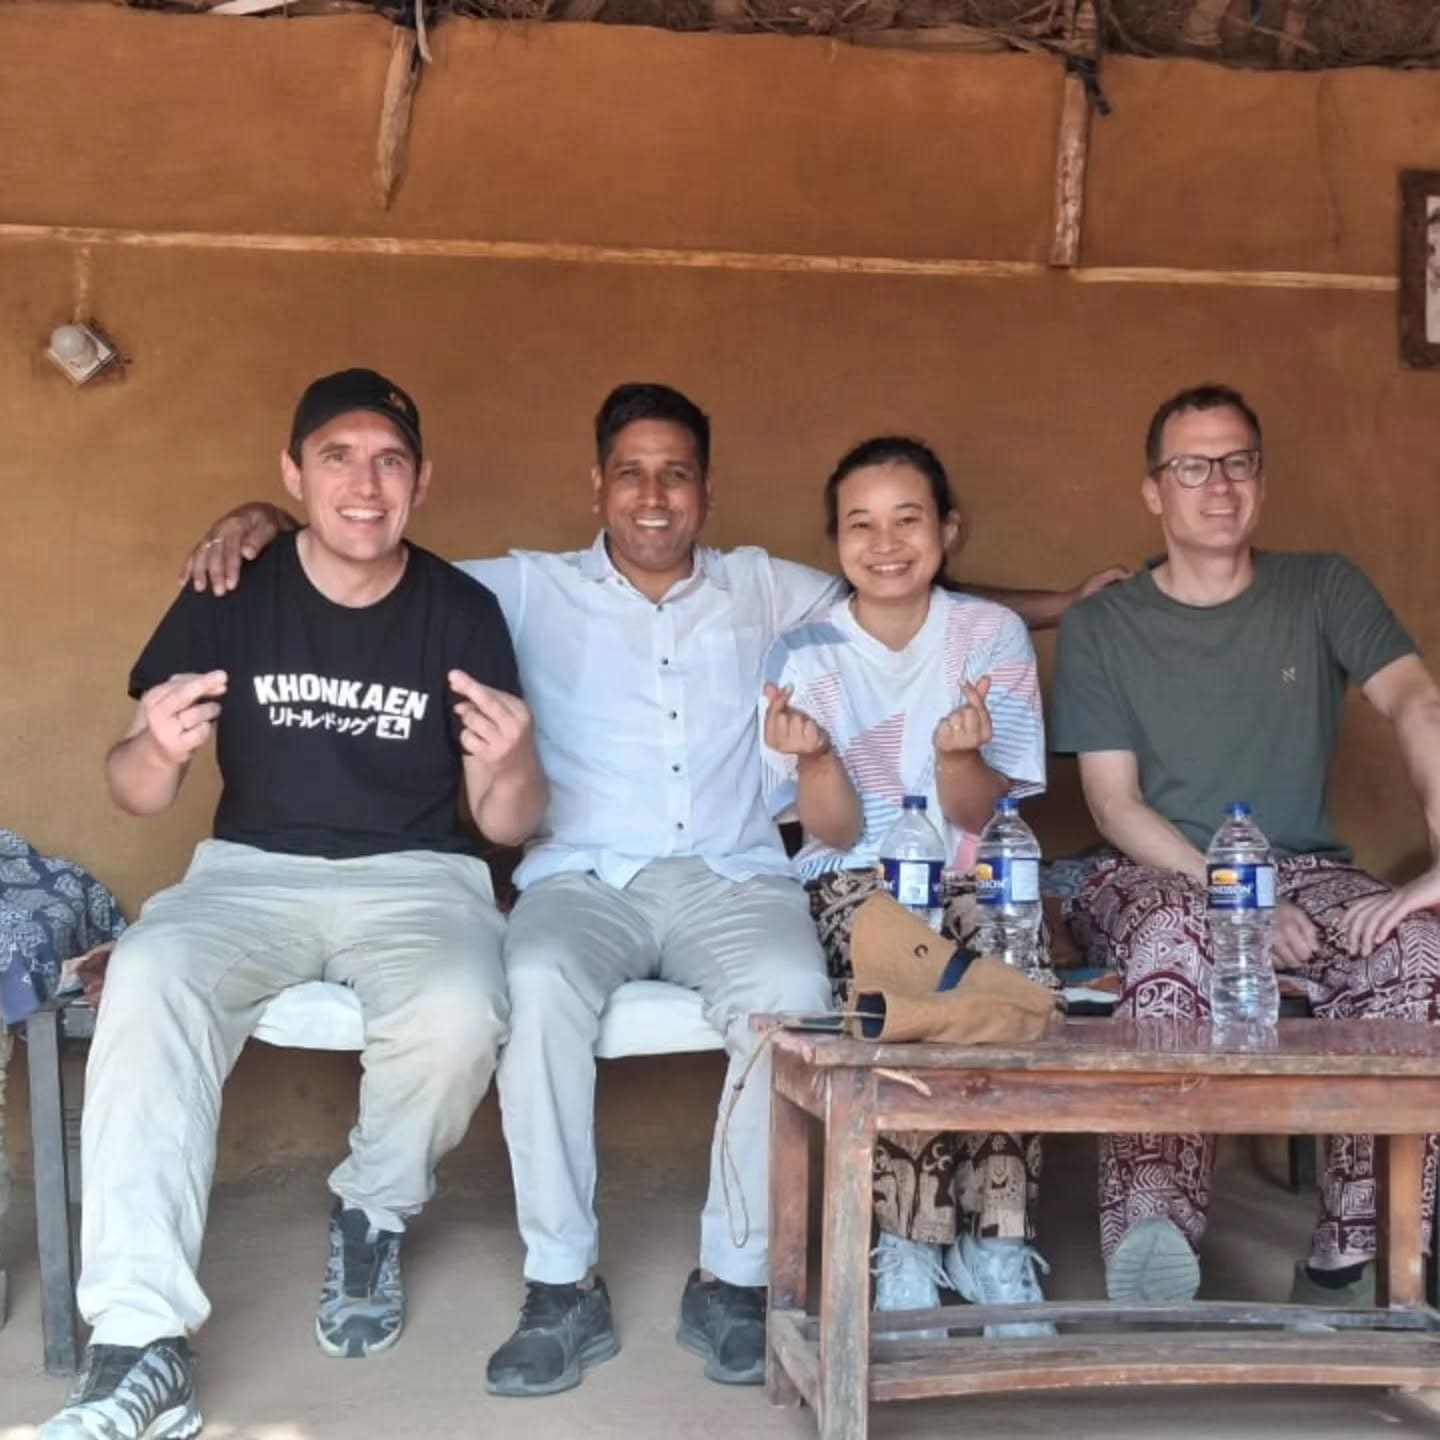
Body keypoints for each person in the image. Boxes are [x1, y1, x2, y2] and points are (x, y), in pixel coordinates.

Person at [181, 382, 1122, 1394]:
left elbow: (904, 585)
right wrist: (263, 522)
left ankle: (732, 1279)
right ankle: (560, 1284)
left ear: (707, 489)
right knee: (534, 986)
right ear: (598, 484)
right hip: (582, 879)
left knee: (791, 995)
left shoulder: (767, 587)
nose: (654, 494)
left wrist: (1061, 607)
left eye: (676, 473)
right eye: (630, 472)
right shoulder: (526, 587)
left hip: (731, 877)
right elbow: (370, 558)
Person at [38, 370, 545, 1440]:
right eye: (337, 457)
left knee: (463, 1008)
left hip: (418, 876)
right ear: (292, 474)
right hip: (248, 872)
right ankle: (137, 1339)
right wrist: (155, 749)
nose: (365, 483)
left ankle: (372, 1209)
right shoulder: (231, 591)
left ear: (421, 481)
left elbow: (504, 820)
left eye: (390, 461)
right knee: (150, 977)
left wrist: (514, 762)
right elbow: (133, 791)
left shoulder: (461, 610)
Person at [1051, 382, 1440, 1308]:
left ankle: (1362, 1256)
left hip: (1308, 870)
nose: (1218, 485)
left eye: (1237, 463)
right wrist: (1240, 899)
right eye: (1192, 467)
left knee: (1420, 949)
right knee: (1176, 943)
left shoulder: (1322, 586)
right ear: (1154, 490)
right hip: (1155, 868)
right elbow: (1113, 803)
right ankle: (1153, 1240)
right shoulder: (1106, 623)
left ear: (1261, 479)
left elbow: (1416, 702)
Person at [759, 436, 1052, 1337]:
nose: (885, 544)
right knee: (906, 976)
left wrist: (958, 755)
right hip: (854, 879)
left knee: (1011, 971)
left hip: (973, 866)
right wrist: (815, 759)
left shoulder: (989, 635)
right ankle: (909, 1243)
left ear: (948, 529)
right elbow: (833, 831)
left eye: (908, 519)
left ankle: (997, 1239)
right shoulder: (803, 651)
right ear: (835, 541)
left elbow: (980, 812)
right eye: (861, 524)